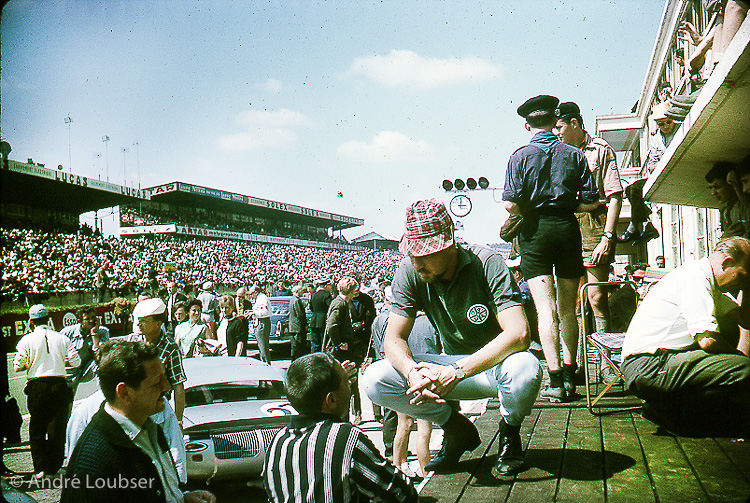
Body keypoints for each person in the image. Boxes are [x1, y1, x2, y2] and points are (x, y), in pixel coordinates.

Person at [362, 199, 543, 476]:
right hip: (448, 368)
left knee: (526, 367)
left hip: (493, 367)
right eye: (412, 253)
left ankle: (509, 433)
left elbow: (518, 333)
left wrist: (458, 371)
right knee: (375, 378)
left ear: (448, 243)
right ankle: (456, 428)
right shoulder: (411, 271)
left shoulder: (487, 262)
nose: (416, 262)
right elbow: (393, 339)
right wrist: (412, 373)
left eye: (423, 254)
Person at [502, 95, 599, 403]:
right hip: (567, 230)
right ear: (553, 121)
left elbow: (510, 204)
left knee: (546, 309)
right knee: (569, 309)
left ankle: (556, 381)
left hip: (535, 233)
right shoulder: (575, 155)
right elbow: (592, 200)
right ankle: (572, 375)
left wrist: (528, 210)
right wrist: (567, 204)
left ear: (528, 124)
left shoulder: (519, 157)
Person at [621, 237, 750, 436]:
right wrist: (738, 358)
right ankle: (668, 408)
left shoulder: (707, 281)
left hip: (655, 363)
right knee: (745, 368)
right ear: (727, 264)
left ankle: (667, 409)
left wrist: (747, 288)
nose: (742, 282)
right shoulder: (695, 278)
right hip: (648, 365)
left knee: (735, 366)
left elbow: (745, 319)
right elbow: (708, 340)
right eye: (742, 276)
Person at [61, 340, 215, 503]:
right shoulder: (93, 461)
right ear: (125, 392)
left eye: (165, 376)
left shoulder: (151, 430)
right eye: (157, 382)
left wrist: (183, 498)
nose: (167, 387)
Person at [263, 352, 417, 503]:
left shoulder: (277, 442)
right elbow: (401, 492)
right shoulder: (345, 438)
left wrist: (338, 384)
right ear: (331, 400)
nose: (350, 389)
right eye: (346, 382)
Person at [555, 101, 624, 382]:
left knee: (596, 297)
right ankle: (580, 365)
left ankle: (607, 364)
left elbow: (616, 194)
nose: (556, 132)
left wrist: (607, 237)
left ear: (574, 124)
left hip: (595, 227)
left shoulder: (601, 149)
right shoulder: (558, 153)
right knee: (572, 306)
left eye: (559, 126)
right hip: (568, 227)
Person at [13, 304, 81, 479]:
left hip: (37, 386)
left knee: (37, 427)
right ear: (48, 320)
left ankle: (40, 468)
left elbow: (17, 366)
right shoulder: (62, 338)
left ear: (31, 321)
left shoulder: (26, 340)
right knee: (57, 428)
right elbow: (76, 362)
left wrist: (32, 363)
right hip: (59, 384)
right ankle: (54, 466)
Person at [65, 387, 187, 484]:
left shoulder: (160, 405)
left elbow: (175, 452)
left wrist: (182, 495)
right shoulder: (84, 413)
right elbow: (77, 478)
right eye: (154, 381)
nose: (165, 385)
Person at [127, 298, 187, 425]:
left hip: (158, 413)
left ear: (158, 324)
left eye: (144, 321)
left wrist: (179, 421)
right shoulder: (132, 342)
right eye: (139, 320)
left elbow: (178, 386)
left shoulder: (170, 348)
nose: (139, 324)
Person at [61, 305, 110, 389]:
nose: (91, 321)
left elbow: (100, 355)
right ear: (80, 321)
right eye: (87, 319)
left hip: (86, 369)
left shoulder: (103, 332)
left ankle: (102, 393)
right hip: (69, 371)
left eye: (93, 317)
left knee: (101, 364)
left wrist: (94, 333)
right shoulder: (67, 333)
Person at [706, 161, 750, 238]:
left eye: (718, 187)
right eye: (711, 188)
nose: (713, 193)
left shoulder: (743, 205)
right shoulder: (726, 210)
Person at [249, 284, 273, 363]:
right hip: (259, 321)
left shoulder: (262, 299)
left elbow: (264, 311)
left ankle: (266, 363)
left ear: (255, 292)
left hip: (262, 322)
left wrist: (253, 313)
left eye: (251, 294)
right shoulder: (259, 298)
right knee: (261, 345)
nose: (251, 296)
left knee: (263, 346)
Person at [309, 278, 333, 353]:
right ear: (326, 286)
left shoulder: (313, 295)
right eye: (330, 286)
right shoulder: (326, 296)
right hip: (323, 322)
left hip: (314, 321)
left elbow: (311, 308)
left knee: (315, 344)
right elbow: (330, 308)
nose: (331, 288)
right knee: (324, 343)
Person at [288, 285, 308, 360]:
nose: (302, 292)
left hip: (293, 327)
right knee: (299, 347)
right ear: (297, 291)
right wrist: (305, 324)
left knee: (295, 347)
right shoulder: (296, 301)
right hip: (298, 328)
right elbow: (300, 314)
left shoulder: (293, 300)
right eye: (301, 290)